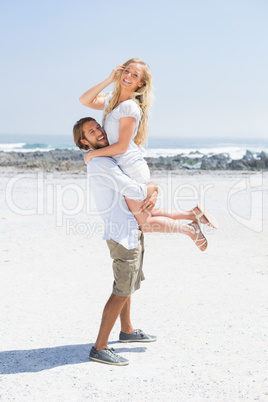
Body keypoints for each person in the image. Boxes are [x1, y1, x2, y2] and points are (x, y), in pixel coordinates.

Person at [79, 58, 218, 251]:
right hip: (126, 167)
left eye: (134, 75)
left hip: (131, 169)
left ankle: (190, 229)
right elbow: (84, 100)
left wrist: (93, 155)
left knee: (144, 223)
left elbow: (121, 147)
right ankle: (192, 214)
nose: (128, 76)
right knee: (146, 213)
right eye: (126, 71)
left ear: (140, 83)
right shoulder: (111, 100)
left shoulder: (129, 107)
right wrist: (109, 79)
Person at [73, 117, 159, 366]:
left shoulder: (106, 158)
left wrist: (149, 191)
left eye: (98, 127)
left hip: (129, 227)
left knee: (127, 283)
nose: (99, 131)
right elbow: (132, 190)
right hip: (122, 232)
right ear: (84, 141)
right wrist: (153, 188)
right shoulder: (100, 162)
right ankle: (99, 347)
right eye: (92, 131)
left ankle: (127, 331)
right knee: (121, 289)